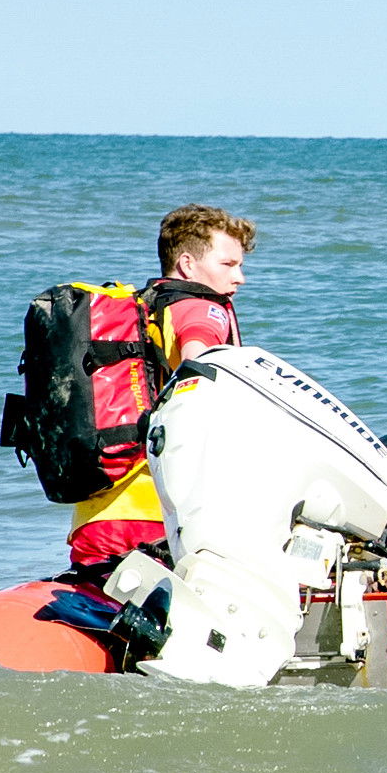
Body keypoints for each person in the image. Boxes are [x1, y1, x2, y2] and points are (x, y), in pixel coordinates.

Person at [65, 204, 253, 571]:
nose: (240, 277)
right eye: (228, 264)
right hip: (158, 516)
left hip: (98, 512)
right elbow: (199, 367)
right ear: (187, 264)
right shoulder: (203, 309)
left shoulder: (145, 309)